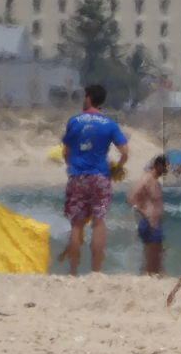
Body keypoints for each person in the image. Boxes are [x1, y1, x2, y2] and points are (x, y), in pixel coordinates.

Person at [60, 84, 129, 276]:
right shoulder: (109, 124)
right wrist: (117, 168)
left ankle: (73, 270)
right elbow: (124, 152)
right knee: (99, 222)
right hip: (100, 176)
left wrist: (72, 166)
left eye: (85, 96)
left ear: (89, 97)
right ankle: (95, 271)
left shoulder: (74, 121)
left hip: (78, 176)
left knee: (76, 224)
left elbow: (66, 151)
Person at [126, 155, 168, 276]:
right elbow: (131, 198)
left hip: (155, 223)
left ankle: (149, 279)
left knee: (157, 259)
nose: (166, 171)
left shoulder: (154, 180)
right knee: (152, 264)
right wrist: (144, 213)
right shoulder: (147, 179)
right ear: (158, 165)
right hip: (149, 224)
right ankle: (145, 279)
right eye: (164, 167)